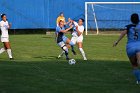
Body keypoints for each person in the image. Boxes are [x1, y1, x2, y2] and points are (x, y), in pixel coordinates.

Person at [113, 13, 140, 84]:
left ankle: (138, 80)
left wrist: (117, 41)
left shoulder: (128, 26)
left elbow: (123, 33)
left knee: (134, 65)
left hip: (130, 47)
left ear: (131, 19)